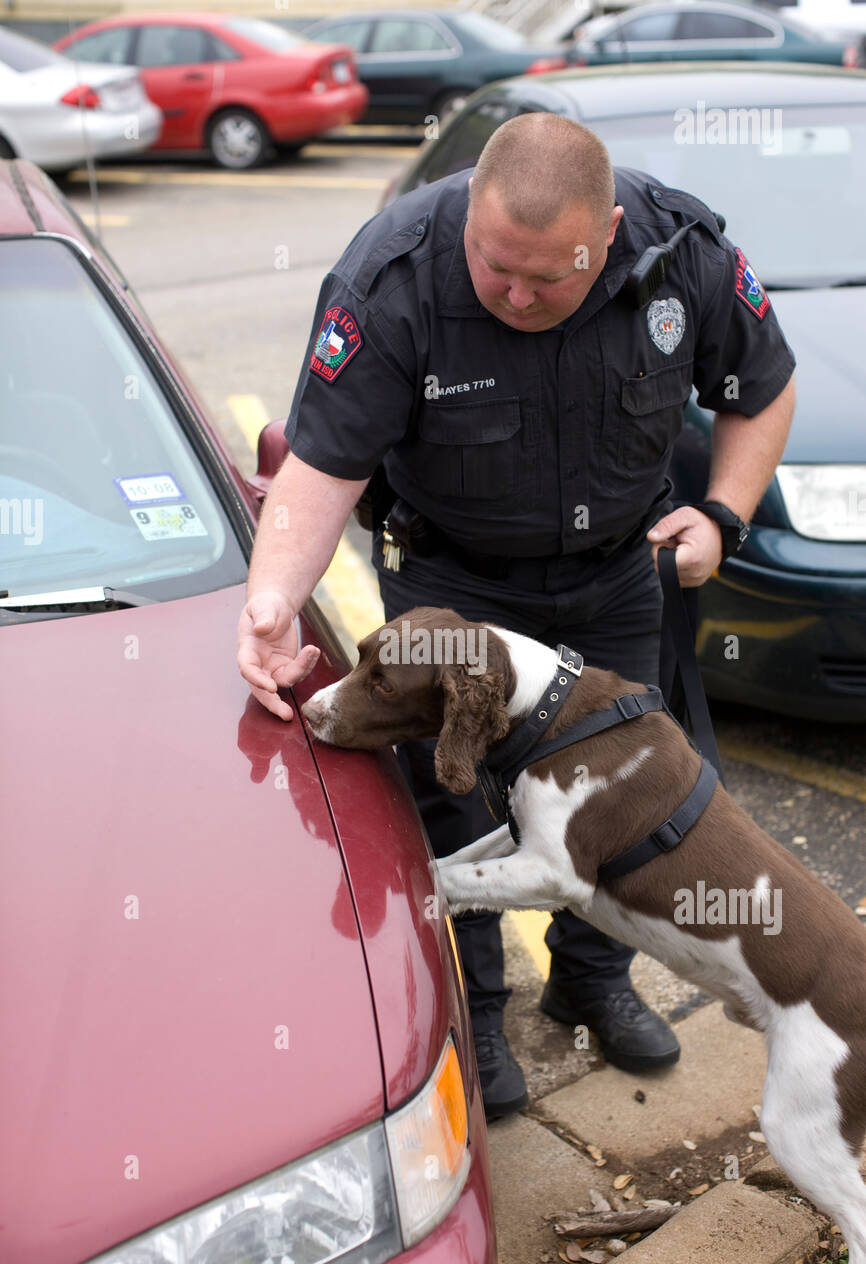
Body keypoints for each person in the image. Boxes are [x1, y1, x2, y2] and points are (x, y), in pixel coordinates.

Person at [237, 114, 796, 1119]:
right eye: (494, 265)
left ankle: (591, 982)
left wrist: (724, 512)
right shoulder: (393, 277)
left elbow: (762, 386)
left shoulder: (680, 255)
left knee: (622, 797)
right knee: (451, 793)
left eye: (548, 276)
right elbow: (325, 462)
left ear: (609, 231)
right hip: (456, 584)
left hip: (615, 573)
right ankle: (479, 1013)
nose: (514, 293)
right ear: (471, 222)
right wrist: (273, 602)